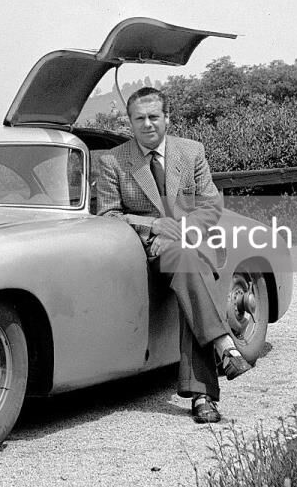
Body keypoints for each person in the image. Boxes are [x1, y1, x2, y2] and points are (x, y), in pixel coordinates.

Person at [96, 86, 250, 423]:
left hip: (189, 246)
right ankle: (222, 351)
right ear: (130, 122)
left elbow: (211, 205)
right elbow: (108, 215)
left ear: (168, 118)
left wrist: (180, 231)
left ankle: (204, 395)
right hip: (146, 251)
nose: (147, 124)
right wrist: (154, 225)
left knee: (188, 264)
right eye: (139, 118)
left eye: (154, 116)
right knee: (190, 269)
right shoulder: (113, 161)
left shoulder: (191, 151)